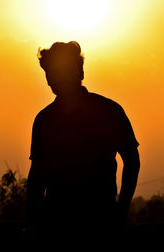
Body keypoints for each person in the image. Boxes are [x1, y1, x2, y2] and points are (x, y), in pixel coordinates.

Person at [26, 41, 140, 243]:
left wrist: (121, 209)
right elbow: (37, 177)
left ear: (80, 72)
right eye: (50, 73)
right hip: (57, 224)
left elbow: (132, 160)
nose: (53, 79)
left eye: (61, 71)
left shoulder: (109, 111)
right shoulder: (44, 119)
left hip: (99, 221)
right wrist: (33, 222)